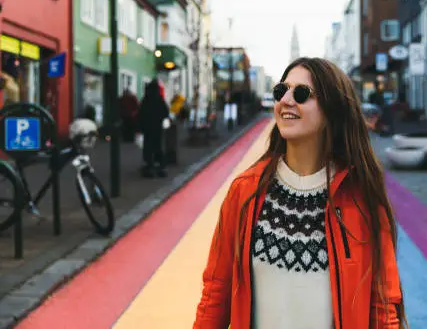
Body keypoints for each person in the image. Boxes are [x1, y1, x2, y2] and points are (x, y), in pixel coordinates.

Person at [193, 57, 408, 329]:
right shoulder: (245, 191)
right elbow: (216, 293)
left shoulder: (361, 198)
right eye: (281, 91)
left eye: (302, 93)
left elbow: (383, 305)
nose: (287, 100)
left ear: (332, 110)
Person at [137, 79, 170, 178]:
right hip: (157, 127)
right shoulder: (159, 99)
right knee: (157, 145)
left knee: (148, 146)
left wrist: (140, 126)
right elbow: (165, 112)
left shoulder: (145, 99)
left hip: (147, 128)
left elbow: (141, 113)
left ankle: (149, 166)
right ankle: (160, 165)